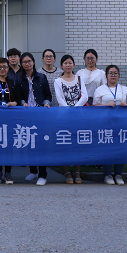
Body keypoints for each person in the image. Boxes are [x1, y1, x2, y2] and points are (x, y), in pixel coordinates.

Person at [93, 65, 127, 186]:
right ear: (106, 75)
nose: (113, 75)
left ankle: (118, 174)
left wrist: (126, 105)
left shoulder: (124, 89)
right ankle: (107, 174)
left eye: (115, 73)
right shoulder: (100, 89)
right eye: (111, 73)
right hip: (105, 123)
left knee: (121, 148)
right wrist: (106, 105)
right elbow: (94, 106)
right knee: (107, 148)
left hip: (121, 123)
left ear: (119, 75)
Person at [18, 52, 52, 186]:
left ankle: (43, 175)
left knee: (41, 144)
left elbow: (48, 95)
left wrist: (46, 103)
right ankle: (33, 171)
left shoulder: (41, 77)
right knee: (29, 143)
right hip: (26, 115)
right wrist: (22, 102)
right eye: (24, 62)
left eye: (29, 61)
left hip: (40, 115)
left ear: (33, 62)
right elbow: (18, 96)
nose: (27, 64)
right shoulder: (19, 79)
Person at [53, 54, 88, 184]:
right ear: (61, 66)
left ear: (74, 65)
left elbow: (84, 96)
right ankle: (67, 171)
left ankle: (77, 171)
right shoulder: (58, 81)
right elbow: (59, 98)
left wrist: (75, 109)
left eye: (70, 63)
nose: (68, 65)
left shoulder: (79, 78)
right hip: (63, 116)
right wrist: (69, 110)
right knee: (65, 143)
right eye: (65, 63)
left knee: (78, 143)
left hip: (78, 115)